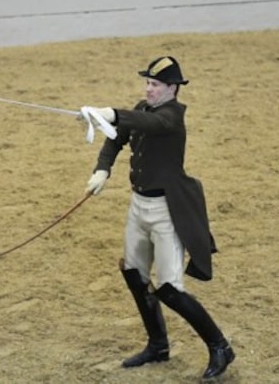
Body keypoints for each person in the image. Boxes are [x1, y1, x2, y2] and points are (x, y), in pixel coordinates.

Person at [81, 56, 235, 379]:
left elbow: (142, 124)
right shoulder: (144, 108)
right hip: (139, 206)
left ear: (172, 89)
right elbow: (116, 135)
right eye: (147, 83)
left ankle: (220, 345)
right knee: (134, 274)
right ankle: (158, 344)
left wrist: (109, 113)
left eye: (154, 85)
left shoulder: (171, 118)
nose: (148, 90)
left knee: (169, 288)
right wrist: (102, 169)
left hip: (166, 211)